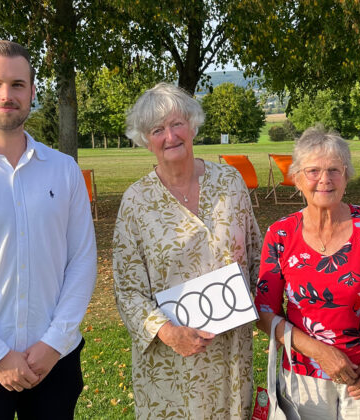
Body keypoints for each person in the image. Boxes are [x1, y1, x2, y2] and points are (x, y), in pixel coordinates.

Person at [0, 40, 97, 420]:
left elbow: (83, 261)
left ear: (33, 91)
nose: (6, 95)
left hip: (55, 361)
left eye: (18, 85)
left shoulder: (63, 169)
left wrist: (54, 343)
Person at [113, 82, 262, 419]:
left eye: (177, 124)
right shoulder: (136, 202)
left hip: (230, 353)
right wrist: (168, 333)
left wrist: (257, 310)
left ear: (192, 125)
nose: (170, 136)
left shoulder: (230, 182)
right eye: (157, 129)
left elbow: (256, 255)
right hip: (172, 359)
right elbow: (127, 289)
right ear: (145, 139)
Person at [255, 126, 360, 419]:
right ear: (297, 178)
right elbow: (264, 313)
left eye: (334, 170)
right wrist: (319, 352)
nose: (324, 180)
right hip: (305, 374)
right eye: (313, 171)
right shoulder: (280, 234)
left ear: (347, 176)